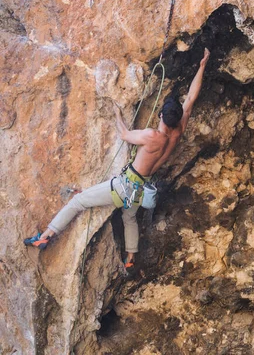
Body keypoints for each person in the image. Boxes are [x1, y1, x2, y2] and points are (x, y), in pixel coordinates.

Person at [24, 48, 211, 271]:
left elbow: (125, 135)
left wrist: (117, 115)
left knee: (78, 202)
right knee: (129, 217)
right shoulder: (178, 132)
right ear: (179, 117)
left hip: (123, 186)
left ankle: (45, 236)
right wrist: (202, 66)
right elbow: (191, 97)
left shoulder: (153, 136)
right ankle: (130, 258)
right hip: (141, 190)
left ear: (161, 115)